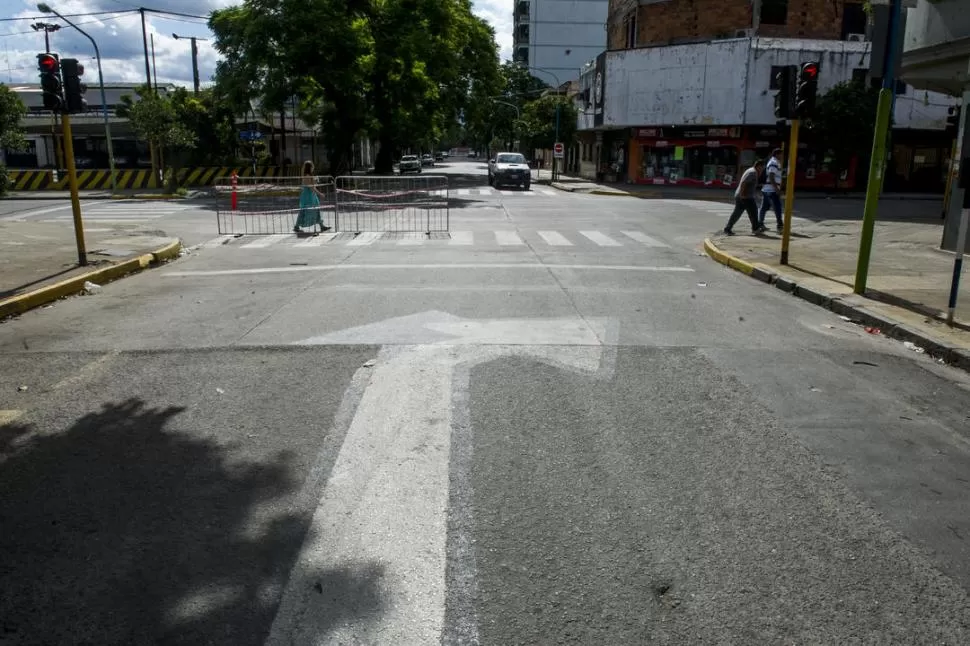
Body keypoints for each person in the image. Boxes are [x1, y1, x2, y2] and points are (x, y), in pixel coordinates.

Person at [724, 160, 765, 236]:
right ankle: (755, 229)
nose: (762, 169)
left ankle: (728, 228)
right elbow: (744, 183)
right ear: (759, 166)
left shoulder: (752, 171)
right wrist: (743, 195)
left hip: (743, 196)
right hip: (745, 196)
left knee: (737, 213)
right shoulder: (752, 172)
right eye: (762, 167)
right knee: (753, 212)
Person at [294, 160, 331, 234]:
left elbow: (312, 185)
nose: (313, 167)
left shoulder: (309, 175)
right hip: (308, 196)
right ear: (310, 167)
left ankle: (322, 226)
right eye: (312, 166)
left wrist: (315, 180)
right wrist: (320, 194)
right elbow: (311, 187)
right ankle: (296, 226)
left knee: (316, 209)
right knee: (304, 211)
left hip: (311, 195)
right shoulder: (307, 176)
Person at [759, 148, 784, 232]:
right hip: (771, 190)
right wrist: (776, 189)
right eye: (781, 154)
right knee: (777, 208)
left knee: (764, 207)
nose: (782, 156)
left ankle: (760, 224)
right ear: (777, 154)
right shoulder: (774, 162)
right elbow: (771, 175)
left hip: (767, 189)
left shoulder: (774, 162)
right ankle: (779, 226)